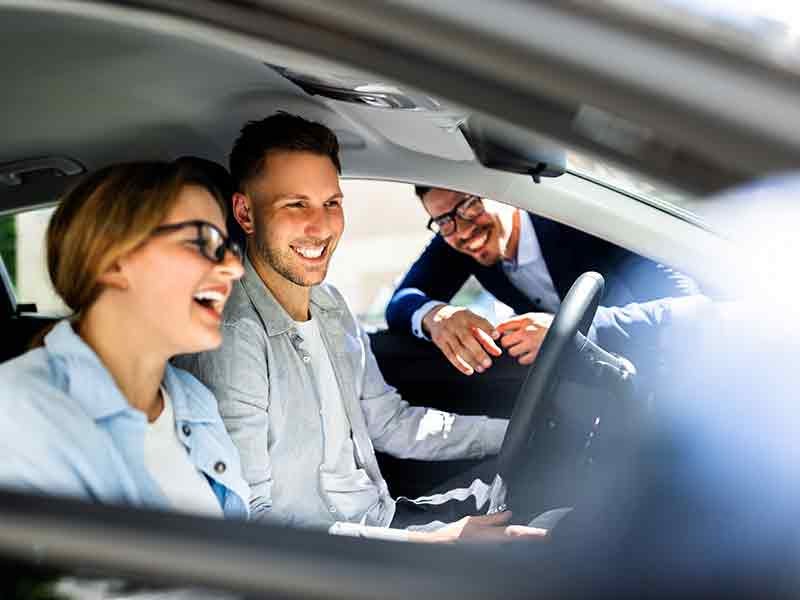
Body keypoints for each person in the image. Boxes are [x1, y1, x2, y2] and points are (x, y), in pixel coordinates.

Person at [175, 113, 550, 543]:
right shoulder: (236, 334)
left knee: (547, 485)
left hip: (381, 520)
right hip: (332, 557)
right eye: (296, 205)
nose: (321, 226)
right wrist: (432, 544)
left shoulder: (331, 304)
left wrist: (516, 432)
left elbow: (391, 423)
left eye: (331, 203)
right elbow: (254, 521)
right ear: (245, 212)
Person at [0, 160, 250, 519]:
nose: (234, 268)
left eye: (229, 248)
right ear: (112, 260)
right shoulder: (20, 414)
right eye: (202, 241)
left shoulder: (196, 402)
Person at [385, 186, 698, 375]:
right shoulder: (454, 239)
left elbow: (682, 303)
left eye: (469, 204)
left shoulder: (577, 218)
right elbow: (401, 301)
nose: (463, 230)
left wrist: (566, 333)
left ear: (501, 192)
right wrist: (436, 316)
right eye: (443, 221)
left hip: (665, 364)